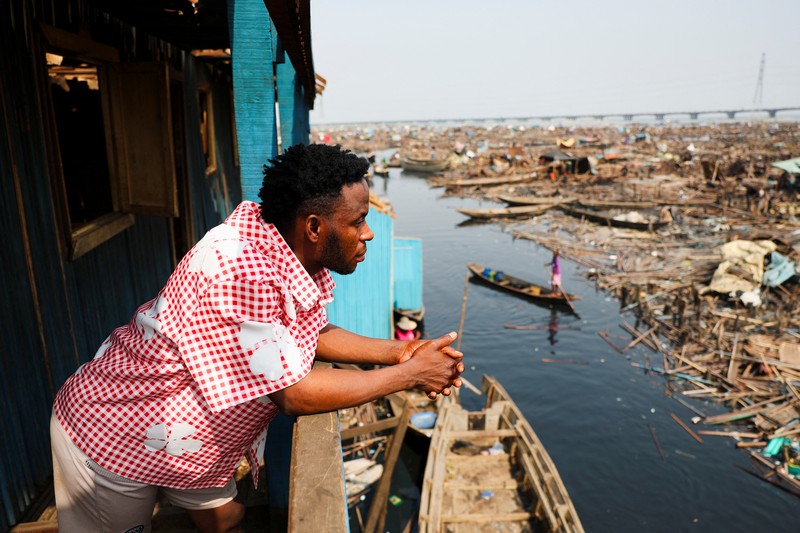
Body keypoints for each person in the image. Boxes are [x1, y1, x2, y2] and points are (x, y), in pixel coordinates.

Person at [50, 144, 464, 533]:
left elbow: (310, 332)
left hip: (189, 436)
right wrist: (411, 375)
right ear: (315, 226)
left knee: (227, 521)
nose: (368, 233)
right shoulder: (237, 268)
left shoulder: (288, 249)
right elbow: (294, 394)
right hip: (115, 431)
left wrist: (402, 351)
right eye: (357, 221)